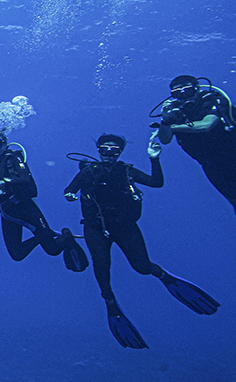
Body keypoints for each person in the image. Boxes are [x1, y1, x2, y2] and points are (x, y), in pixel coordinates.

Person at [64, 133, 220, 349]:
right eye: (105, 150)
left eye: (114, 151)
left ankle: (165, 277)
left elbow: (157, 182)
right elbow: (69, 189)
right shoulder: (89, 172)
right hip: (95, 228)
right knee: (102, 266)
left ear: (120, 153)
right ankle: (111, 303)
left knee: (142, 267)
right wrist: (70, 195)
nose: (109, 155)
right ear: (99, 150)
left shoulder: (127, 171)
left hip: (124, 226)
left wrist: (154, 158)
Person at [0, 130, 88, 271]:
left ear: (5, 144)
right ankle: (44, 235)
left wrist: (2, 183)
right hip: (7, 212)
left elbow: (26, 180)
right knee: (17, 254)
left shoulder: (14, 159)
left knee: (53, 249)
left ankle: (65, 237)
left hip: (25, 207)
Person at [154, 75, 236, 220]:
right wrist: (165, 121)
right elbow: (165, 139)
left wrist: (173, 127)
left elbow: (207, 125)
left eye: (187, 91)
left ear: (197, 90)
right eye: (177, 93)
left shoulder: (213, 99)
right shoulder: (175, 112)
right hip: (213, 165)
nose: (183, 96)